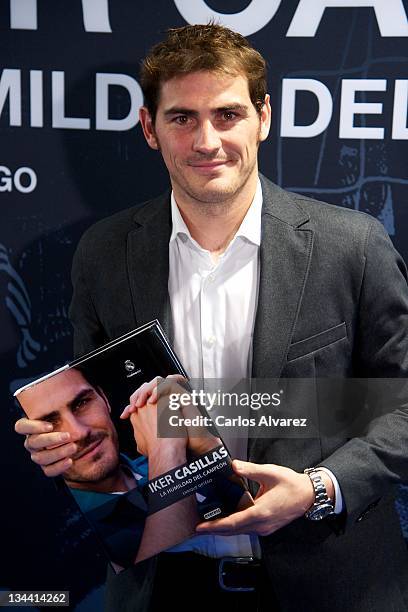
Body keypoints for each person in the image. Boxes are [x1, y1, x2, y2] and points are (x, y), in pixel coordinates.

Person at [15, 23, 408, 612]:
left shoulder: (354, 246)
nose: (206, 141)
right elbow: (101, 407)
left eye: (227, 115)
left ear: (263, 117)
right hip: (161, 589)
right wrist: (69, 444)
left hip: (329, 584)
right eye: (182, 118)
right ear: (149, 128)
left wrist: (319, 489)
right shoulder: (103, 252)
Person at [16, 367, 199, 565]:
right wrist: (165, 447)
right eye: (50, 423)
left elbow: (236, 500)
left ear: (104, 399)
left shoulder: (179, 454)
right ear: (36, 446)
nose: (79, 433)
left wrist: (203, 427)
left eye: (82, 403)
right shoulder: (67, 529)